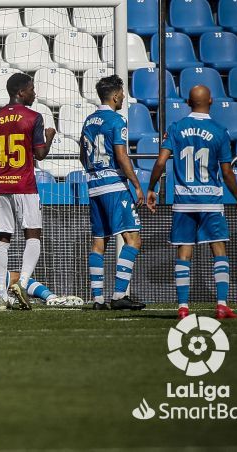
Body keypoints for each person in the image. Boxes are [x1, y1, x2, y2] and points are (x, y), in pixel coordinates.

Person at [146, 85, 237, 320]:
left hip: (184, 201)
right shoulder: (220, 131)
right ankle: (221, 305)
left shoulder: (176, 128)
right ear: (210, 101)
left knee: (184, 253)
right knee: (219, 250)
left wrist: (152, 187)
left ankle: (183, 308)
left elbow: (161, 162)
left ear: (188, 103)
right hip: (211, 200)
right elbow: (227, 171)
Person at [0, 73, 56, 310]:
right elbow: (40, 154)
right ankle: (23, 282)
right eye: (32, 89)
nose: (34, 93)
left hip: (0, 185)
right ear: (20, 92)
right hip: (25, 186)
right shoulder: (33, 117)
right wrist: (49, 137)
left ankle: (1, 295)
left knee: (2, 240)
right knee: (33, 236)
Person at [79, 75, 147, 311]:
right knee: (133, 239)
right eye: (122, 93)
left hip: (94, 186)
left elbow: (82, 155)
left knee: (99, 241)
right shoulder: (118, 120)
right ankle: (119, 296)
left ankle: (98, 300)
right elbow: (121, 155)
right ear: (116, 95)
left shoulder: (88, 121)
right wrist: (137, 185)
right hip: (114, 186)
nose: (124, 96)